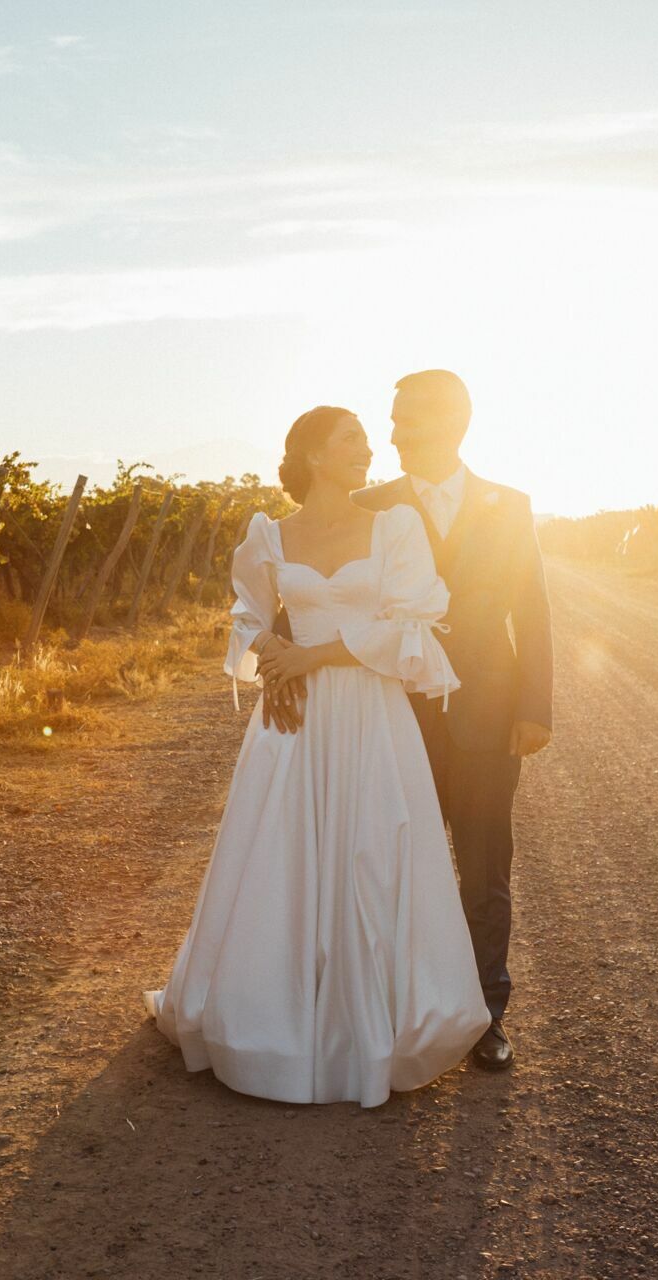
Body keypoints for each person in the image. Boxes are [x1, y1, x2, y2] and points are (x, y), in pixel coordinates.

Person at [142, 405, 490, 1108]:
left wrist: (310, 656)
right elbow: (247, 614)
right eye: (352, 439)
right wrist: (274, 658)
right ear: (314, 455)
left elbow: (407, 628)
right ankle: (275, 1020)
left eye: (366, 438)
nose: (369, 449)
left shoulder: (395, 526)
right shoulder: (268, 534)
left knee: (368, 851)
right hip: (292, 718)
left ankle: (369, 1026)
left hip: (368, 712)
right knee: (283, 856)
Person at [265, 370, 553, 1072]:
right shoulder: (368, 504)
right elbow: (305, 586)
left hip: (487, 710)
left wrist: (535, 707)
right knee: (391, 860)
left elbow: (532, 607)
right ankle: (395, 1004)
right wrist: (282, 661)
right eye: (388, 422)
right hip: (386, 712)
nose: (391, 434)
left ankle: (484, 1014)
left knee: (485, 865)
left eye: (406, 421)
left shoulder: (508, 505)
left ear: (453, 420)